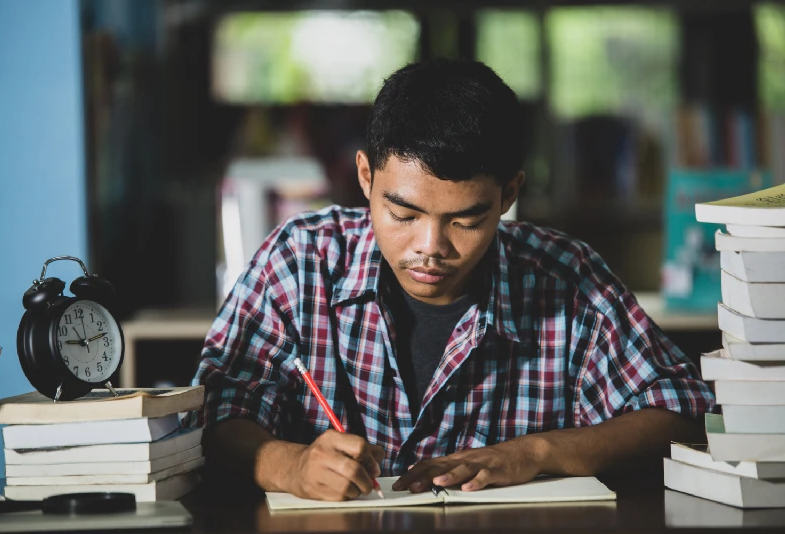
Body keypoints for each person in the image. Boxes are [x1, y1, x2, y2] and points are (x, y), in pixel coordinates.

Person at [188, 59, 715, 501]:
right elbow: (211, 411)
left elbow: (681, 412)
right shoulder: (299, 263)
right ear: (366, 177)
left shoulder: (567, 281)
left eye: (466, 220)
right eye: (403, 214)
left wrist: (537, 451)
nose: (430, 247)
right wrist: (290, 465)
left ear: (508, 196)